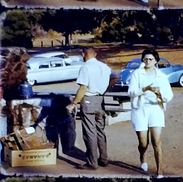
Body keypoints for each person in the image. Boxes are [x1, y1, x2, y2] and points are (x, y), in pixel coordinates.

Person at [66, 47, 120, 170]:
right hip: (100, 100)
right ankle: (104, 158)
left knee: (89, 132)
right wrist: (105, 88)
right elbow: (116, 77)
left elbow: (83, 88)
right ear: (95, 54)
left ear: (83, 54)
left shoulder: (85, 67)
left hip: (89, 100)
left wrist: (74, 103)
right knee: (100, 130)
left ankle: (92, 162)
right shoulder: (104, 66)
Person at [128, 49, 173, 178]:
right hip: (139, 109)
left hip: (156, 109)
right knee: (143, 143)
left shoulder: (161, 76)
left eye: (150, 59)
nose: (147, 61)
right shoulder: (137, 74)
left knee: (156, 141)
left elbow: (169, 94)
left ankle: (160, 171)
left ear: (156, 61)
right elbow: (131, 92)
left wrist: (161, 96)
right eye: (145, 59)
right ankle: (143, 158)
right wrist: (145, 89)